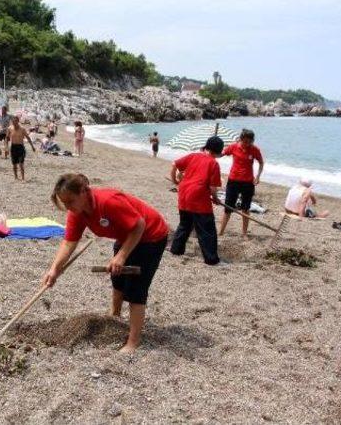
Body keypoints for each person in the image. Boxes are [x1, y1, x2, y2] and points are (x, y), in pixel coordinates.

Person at [42, 174, 169, 353]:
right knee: (117, 278)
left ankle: (133, 342)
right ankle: (115, 315)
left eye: (70, 201)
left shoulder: (108, 201)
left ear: (84, 192)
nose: (68, 207)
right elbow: (69, 242)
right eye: (65, 203)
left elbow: (139, 225)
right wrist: (54, 269)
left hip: (151, 235)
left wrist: (122, 256)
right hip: (125, 234)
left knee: (135, 291)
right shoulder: (76, 212)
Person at [169, 136, 224, 265]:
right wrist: (215, 199)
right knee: (206, 230)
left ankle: (176, 250)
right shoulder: (213, 163)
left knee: (185, 225)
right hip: (198, 199)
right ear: (218, 151)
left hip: (184, 194)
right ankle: (211, 259)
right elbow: (212, 187)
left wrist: (176, 182)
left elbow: (174, 164)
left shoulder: (194, 156)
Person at [218, 129, 264, 239]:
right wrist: (209, 153)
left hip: (248, 183)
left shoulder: (254, 149)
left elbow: (261, 162)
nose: (247, 144)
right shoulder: (233, 147)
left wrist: (258, 177)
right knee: (228, 208)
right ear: (241, 139)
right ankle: (221, 232)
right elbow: (221, 154)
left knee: (246, 208)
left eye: (250, 141)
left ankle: (244, 233)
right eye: (245, 141)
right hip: (233, 181)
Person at [6, 116, 36, 180]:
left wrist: (32, 146)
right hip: (13, 147)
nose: (14, 123)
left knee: (21, 163)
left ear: (18, 121)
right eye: (13, 121)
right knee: (14, 164)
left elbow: (28, 137)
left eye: (15, 121)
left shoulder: (22, 129)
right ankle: (16, 177)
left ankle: (23, 178)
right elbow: (7, 138)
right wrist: (6, 147)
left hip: (20, 147)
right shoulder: (10, 128)